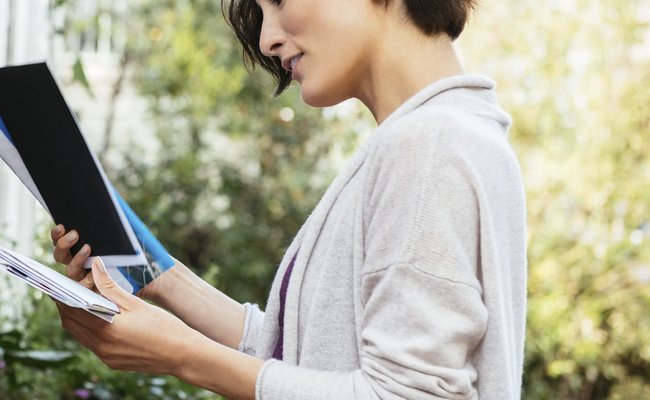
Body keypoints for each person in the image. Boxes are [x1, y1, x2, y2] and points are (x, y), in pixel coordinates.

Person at [47, 0, 528, 398]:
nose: (266, 40)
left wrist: (181, 355)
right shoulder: (441, 135)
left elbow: (404, 393)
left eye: (278, 1)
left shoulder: (429, 144)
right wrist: (159, 277)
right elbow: (294, 354)